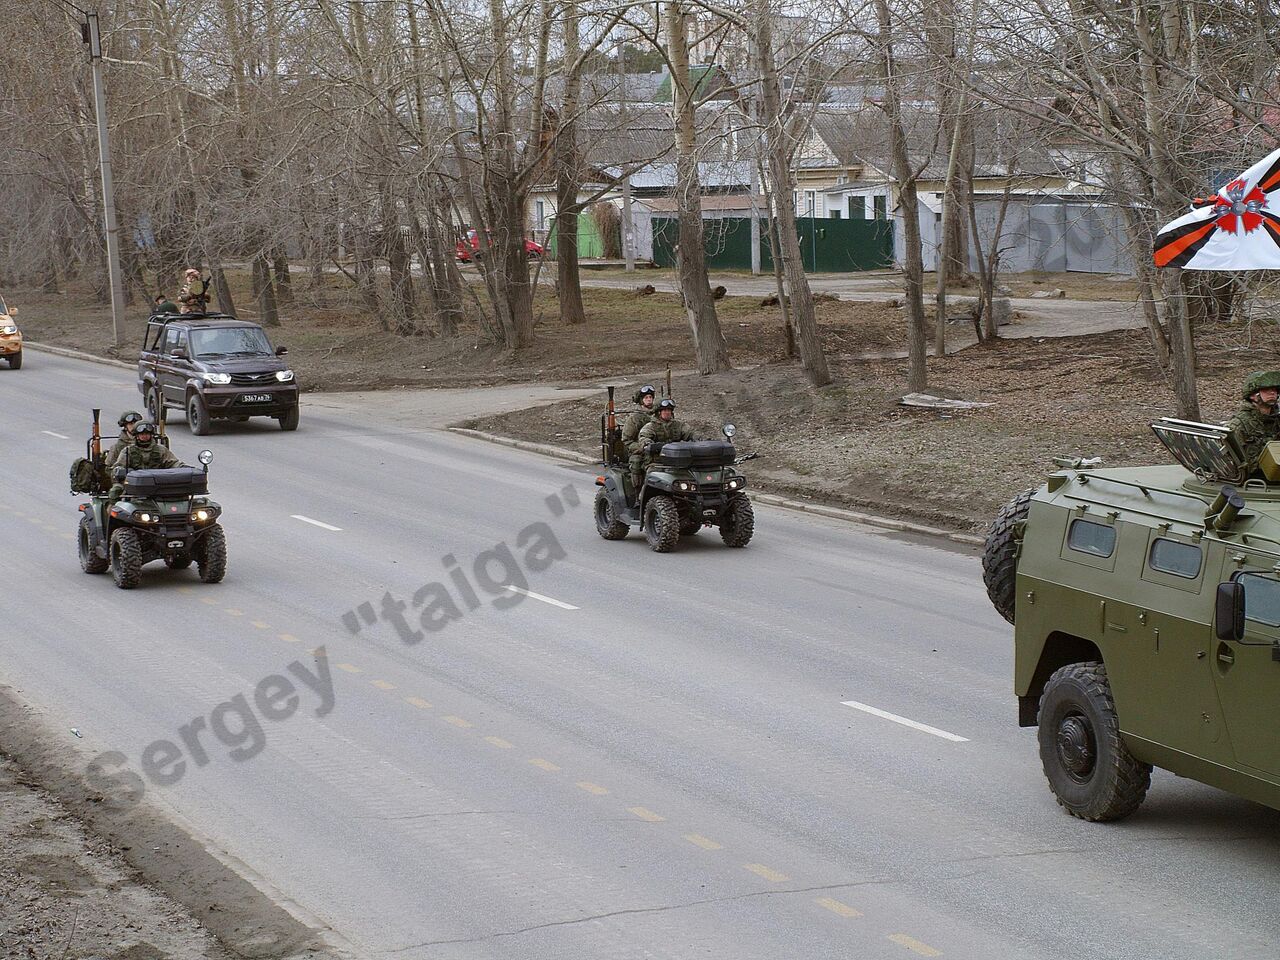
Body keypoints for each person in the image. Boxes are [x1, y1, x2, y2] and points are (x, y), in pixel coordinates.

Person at [107, 422, 184, 501]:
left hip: (157, 483)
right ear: (136, 436)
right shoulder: (128, 450)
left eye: (147, 434)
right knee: (115, 492)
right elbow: (118, 467)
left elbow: (173, 463)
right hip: (134, 484)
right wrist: (122, 472)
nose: (145, 436)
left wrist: (183, 467)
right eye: (142, 434)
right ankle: (110, 512)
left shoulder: (161, 450)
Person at [634, 398, 694, 488]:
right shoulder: (650, 426)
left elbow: (690, 434)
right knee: (653, 478)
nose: (667, 412)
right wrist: (649, 444)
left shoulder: (678, 425)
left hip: (677, 461)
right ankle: (642, 496)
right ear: (659, 412)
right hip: (656, 462)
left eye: (669, 410)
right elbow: (644, 438)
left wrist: (700, 440)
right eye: (665, 410)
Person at [1228, 371, 1280, 471]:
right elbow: (1233, 463)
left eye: (1274, 389)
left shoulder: (1277, 421)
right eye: (1266, 390)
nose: (1272, 392)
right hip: (1255, 481)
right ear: (1253, 396)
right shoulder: (1239, 425)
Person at [623, 385, 657, 484]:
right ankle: (637, 493)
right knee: (636, 463)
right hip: (639, 450)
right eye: (646, 398)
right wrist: (642, 447)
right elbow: (627, 440)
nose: (649, 400)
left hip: (659, 448)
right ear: (641, 400)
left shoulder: (659, 414)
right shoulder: (635, 417)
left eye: (650, 397)